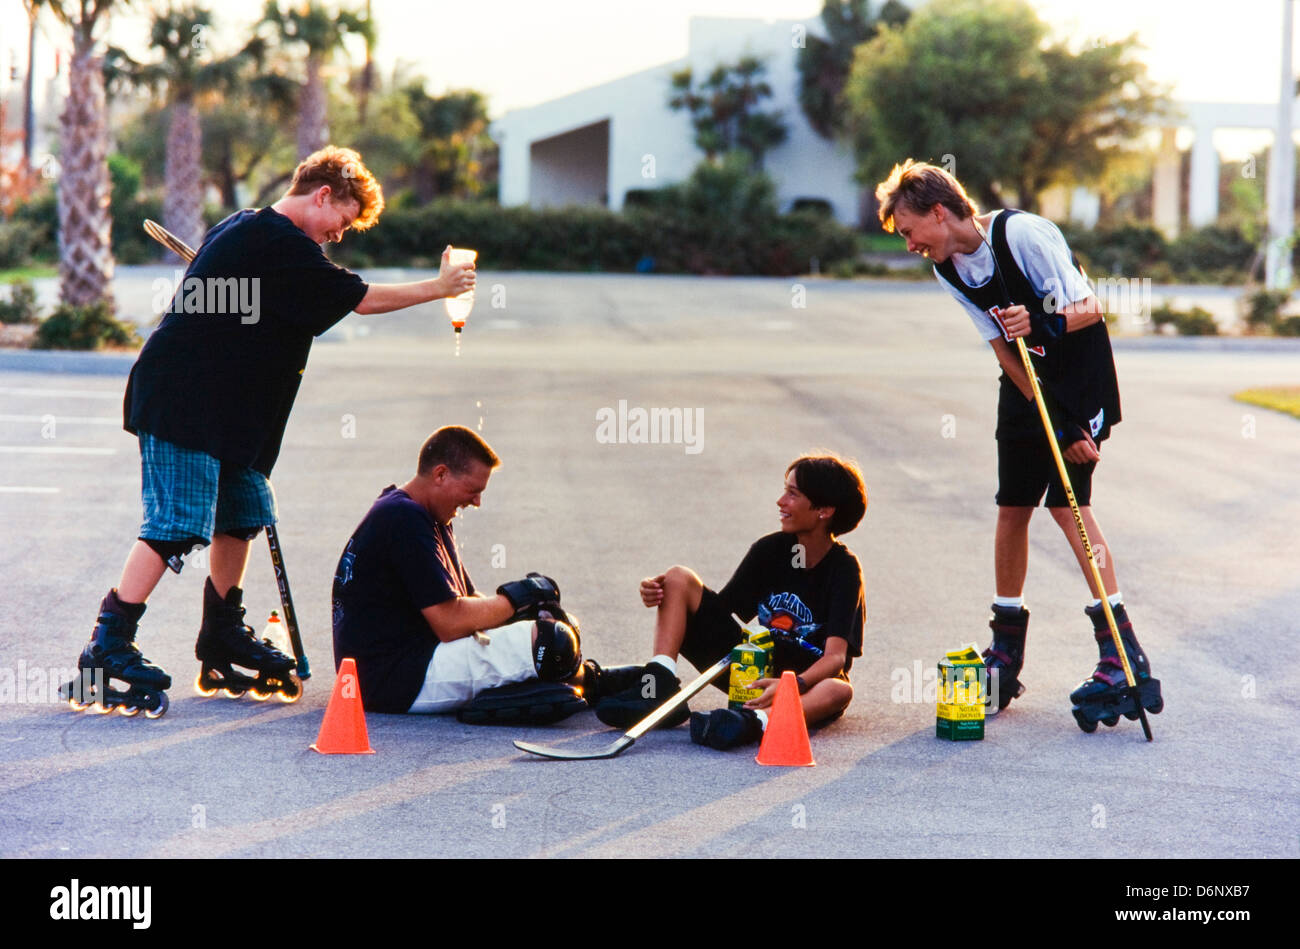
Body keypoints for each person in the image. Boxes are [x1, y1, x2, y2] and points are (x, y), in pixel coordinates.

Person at [62, 145, 477, 717]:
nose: (339, 234)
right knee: (176, 520)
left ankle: (222, 632)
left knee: (245, 512)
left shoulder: (249, 233)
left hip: (230, 414)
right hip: (186, 403)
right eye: (343, 220)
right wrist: (440, 287)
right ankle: (107, 646)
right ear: (322, 194)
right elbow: (359, 300)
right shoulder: (279, 241)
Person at [873, 158, 1161, 729]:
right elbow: (1002, 349)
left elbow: (1089, 308)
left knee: (1067, 506)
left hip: (1080, 380)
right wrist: (1045, 415)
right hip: (1028, 387)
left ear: (938, 211)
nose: (909, 244)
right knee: (1012, 508)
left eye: (909, 231)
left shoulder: (1020, 234)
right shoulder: (947, 269)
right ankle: (1005, 650)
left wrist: (1068, 410)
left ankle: (1121, 651)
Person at [331, 425, 641, 721]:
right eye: (473, 490)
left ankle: (592, 682)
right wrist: (521, 595)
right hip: (392, 679)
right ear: (441, 474)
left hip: (403, 662)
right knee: (552, 642)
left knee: (556, 625)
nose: (477, 502)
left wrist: (526, 611)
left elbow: (468, 601)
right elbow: (451, 623)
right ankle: (591, 685)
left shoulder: (419, 512)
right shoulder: (404, 518)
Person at [594, 454, 867, 751]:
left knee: (839, 690)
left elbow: (835, 659)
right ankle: (658, 683)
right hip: (754, 672)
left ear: (824, 510)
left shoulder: (844, 570)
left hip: (806, 685)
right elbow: (720, 613)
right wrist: (664, 595)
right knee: (678, 579)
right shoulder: (770, 550)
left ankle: (752, 723)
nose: (780, 501)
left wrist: (790, 686)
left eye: (792, 494)